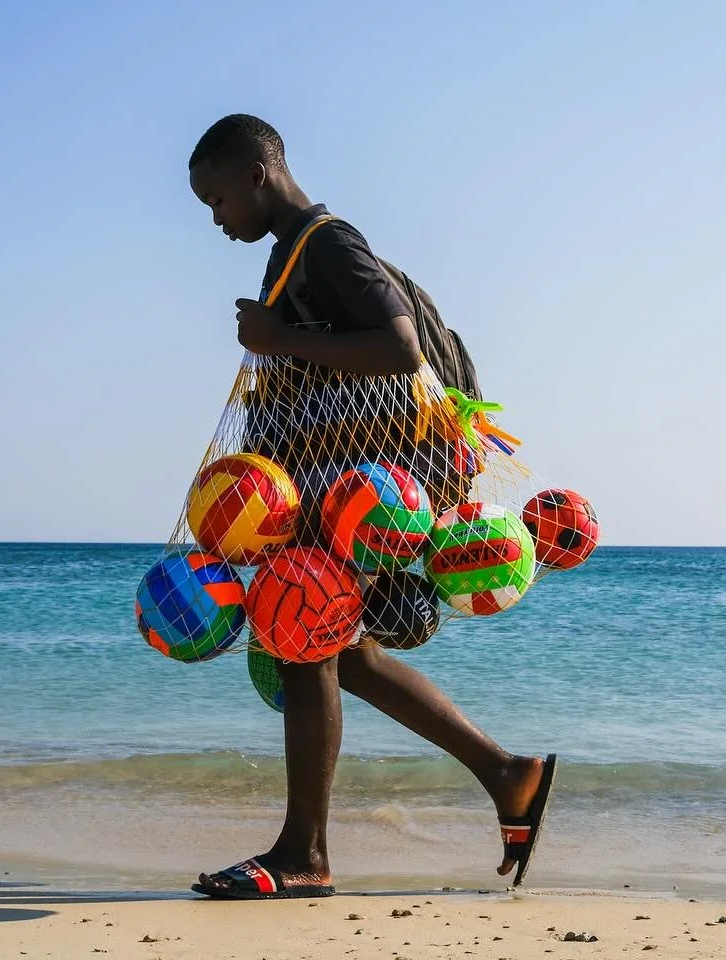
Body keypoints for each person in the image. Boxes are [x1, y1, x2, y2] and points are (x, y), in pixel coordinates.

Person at [185, 113, 557, 900]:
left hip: (370, 484)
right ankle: (508, 775)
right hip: (344, 482)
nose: (216, 219)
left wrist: (279, 340)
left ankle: (303, 856)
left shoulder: (326, 243)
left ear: (258, 173)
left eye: (217, 199)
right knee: (338, 649)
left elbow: (400, 349)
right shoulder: (291, 255)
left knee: (303, 633)